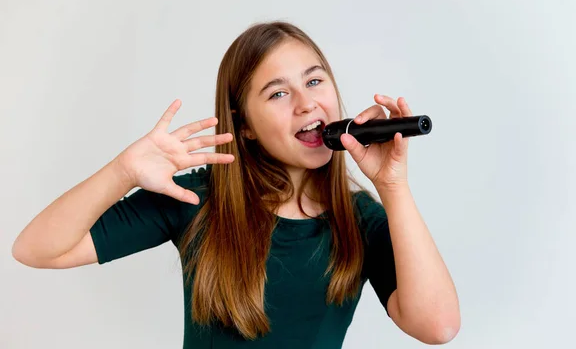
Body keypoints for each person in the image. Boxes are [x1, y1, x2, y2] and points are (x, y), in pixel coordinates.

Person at [12, 21, 460, 348]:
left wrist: (393, 187)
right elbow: (36, 249)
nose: (306, 103)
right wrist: (123, 172)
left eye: (314, 80)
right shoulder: (197, 199)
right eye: (279, 93)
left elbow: (437, 327)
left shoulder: (361, 219)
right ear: (244, 126)